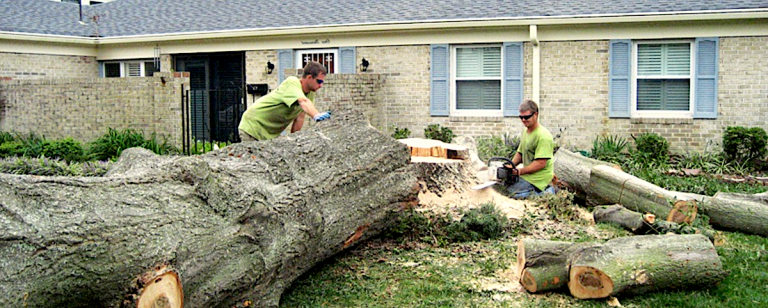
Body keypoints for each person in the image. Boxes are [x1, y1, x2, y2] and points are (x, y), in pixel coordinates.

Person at [238, 61, 332, 142]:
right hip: (253, 125)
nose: (321, 85)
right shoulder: (292, 82)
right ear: (309, 78)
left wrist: (295, 140)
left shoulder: (310, 92)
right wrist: (316, 115)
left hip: (269, 133)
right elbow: (303, 102)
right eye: (319, 82)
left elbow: (300, 117)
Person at [506, 100, 556, 198]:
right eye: (521, 117)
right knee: (504, 187)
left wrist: (520, 172)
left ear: (535, 115)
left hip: (539, 179)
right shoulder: (526, 132)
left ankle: (547, 192)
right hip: (528, 175)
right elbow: (520, 153)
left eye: (526, 117)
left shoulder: (543, 136)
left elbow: (541, 163)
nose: (523, 120)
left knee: (513, 194)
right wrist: (511, 166)